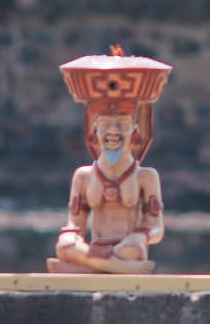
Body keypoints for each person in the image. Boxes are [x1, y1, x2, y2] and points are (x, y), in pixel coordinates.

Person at [51, 48, 170, 274]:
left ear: (134, 131)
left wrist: (141, 236)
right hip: (94, 248)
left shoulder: (145, 176)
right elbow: (74, 225)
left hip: (128, 248)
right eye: (105, 125)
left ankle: (99, 265)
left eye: (122, 125)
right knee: (64, 247)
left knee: (132, 250)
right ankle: (115, 267)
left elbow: (156, 228)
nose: (113, 133)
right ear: (94, 131)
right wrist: (70, 235)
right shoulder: (84, 176)